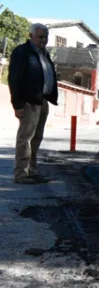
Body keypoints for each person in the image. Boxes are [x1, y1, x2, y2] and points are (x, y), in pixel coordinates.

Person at [8, 23, 59, 184]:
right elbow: (14, 79)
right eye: (40, 37)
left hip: (42, 101)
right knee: (26, 138)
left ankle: (31, 170)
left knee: (37, 138)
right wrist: (17, 105)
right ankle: (21, 174)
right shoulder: (22, 52)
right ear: (31, 36)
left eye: (45, 37)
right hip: (28, 102)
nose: (44, 40)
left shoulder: (44, 54)